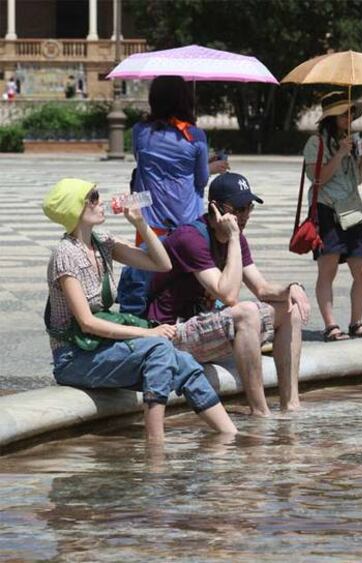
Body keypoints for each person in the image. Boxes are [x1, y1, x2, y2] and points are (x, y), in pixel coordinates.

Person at [42, 178, 237, 443]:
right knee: (159, 349)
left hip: (100, 347)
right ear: (75, 208)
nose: (101, 202)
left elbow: (161, 263)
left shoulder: (101, 243)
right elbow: (87, 323)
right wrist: (148, 334)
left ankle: (230, 435)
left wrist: (140, 223)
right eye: (93, 197)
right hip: (74, 357)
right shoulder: (65, 255)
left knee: (184, 363)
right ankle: (155, 445)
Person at [143, 172, 311, 415]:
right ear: (216, 208)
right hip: (169, 333)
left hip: (201, 327)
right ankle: (260, 413)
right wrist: (233, 237)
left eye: (249, 208)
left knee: (289, 308)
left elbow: (262, 288)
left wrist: (291, 288)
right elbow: (228, 295)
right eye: (239, 209)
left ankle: (291, 406)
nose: (244, 216)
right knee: (245, 313)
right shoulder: (190, 238)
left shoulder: (237, 240)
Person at [303, 91, 362, 342]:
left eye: (351, 113)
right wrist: (340, 153)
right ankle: (331, 325)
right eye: (344, 113)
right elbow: (318, 178)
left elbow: (359, 180)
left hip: (354, 211)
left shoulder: (352, 140)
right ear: (331, 117)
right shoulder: (316, 143)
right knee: (328, 270)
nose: (349, 117)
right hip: (327, 209)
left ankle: (356, 322)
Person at [131, 75, 229, 244]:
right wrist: (210, 167)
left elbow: (141, 161)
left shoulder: (140, 131)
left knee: (150, 268)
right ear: (185, 99)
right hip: (188, 222)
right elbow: (201, 180)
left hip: (149, 223)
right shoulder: (195, 135)